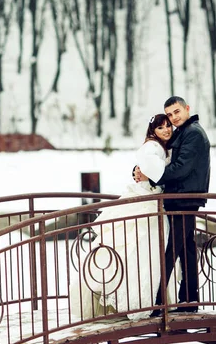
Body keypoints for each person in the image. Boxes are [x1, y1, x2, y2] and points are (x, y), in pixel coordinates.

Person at [69, 114, 178, 321]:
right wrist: (144, 174)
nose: (166, 130)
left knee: (145, 252)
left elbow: (152, 171)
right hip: (147, 203)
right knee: (141, 250)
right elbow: (158, 173)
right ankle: (137, 299)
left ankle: (148, 297)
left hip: (151, 201)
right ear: (153, 130)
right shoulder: (153, 147)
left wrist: (141, 173)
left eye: (168, 126)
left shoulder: (159, 147)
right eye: (161, 127)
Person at [135, 96, 211, 315]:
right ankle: (188, 300)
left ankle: (159, 303)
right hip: (179, 198)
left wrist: (150, 178)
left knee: (170, 250)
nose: (173, 117)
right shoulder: (182, 132)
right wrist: (141, 171)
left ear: (187, 109)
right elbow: (160, 159)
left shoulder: (193, 133)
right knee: (185, 249)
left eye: (177, 112)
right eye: (169, 114)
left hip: (184, 199)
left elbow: (180, 168)